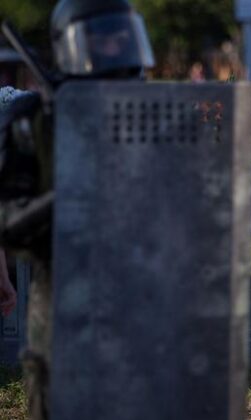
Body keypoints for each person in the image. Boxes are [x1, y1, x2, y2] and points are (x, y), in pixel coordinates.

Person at [0, 1, 155, 418]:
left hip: (142, 309)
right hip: (63, 315)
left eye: (123, 37)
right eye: (102, 39)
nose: (116, 49)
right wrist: (73, 194)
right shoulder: (33, 121)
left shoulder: (152, 117)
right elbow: (9, 224)